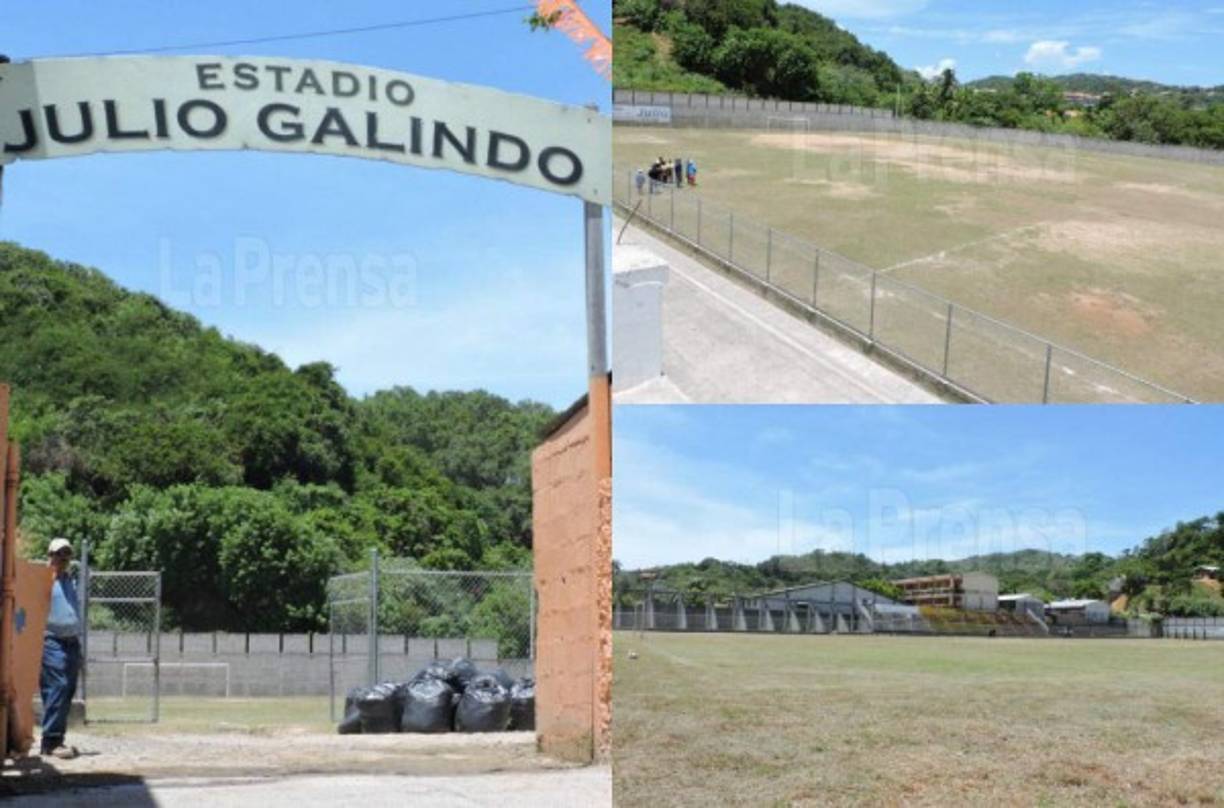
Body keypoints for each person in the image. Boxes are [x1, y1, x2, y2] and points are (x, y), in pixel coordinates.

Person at [40, 538, 81, 759]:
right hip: (52, 641)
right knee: (58, 686)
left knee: (67, 690)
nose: (62, 558)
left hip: (72, 641)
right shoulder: (42, 580)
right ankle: (50, 741)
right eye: (58, 554)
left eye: (66, 554)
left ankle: (58, 741)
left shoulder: (70, 581)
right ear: (50, 555)